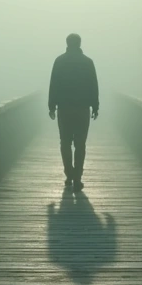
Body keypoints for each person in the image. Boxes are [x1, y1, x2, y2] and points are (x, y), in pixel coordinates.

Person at [47, 33, 99, 190]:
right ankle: (77, 177)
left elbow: (53, 84)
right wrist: (95, 106)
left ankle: (69, 174)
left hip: (64, 109)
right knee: (80, 144)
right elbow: (93, 85)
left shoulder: (59, 61)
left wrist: (51, 106)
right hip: (82, 109)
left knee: (65, 142)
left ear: (67, 44)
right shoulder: (88, 62)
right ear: (80, 43)